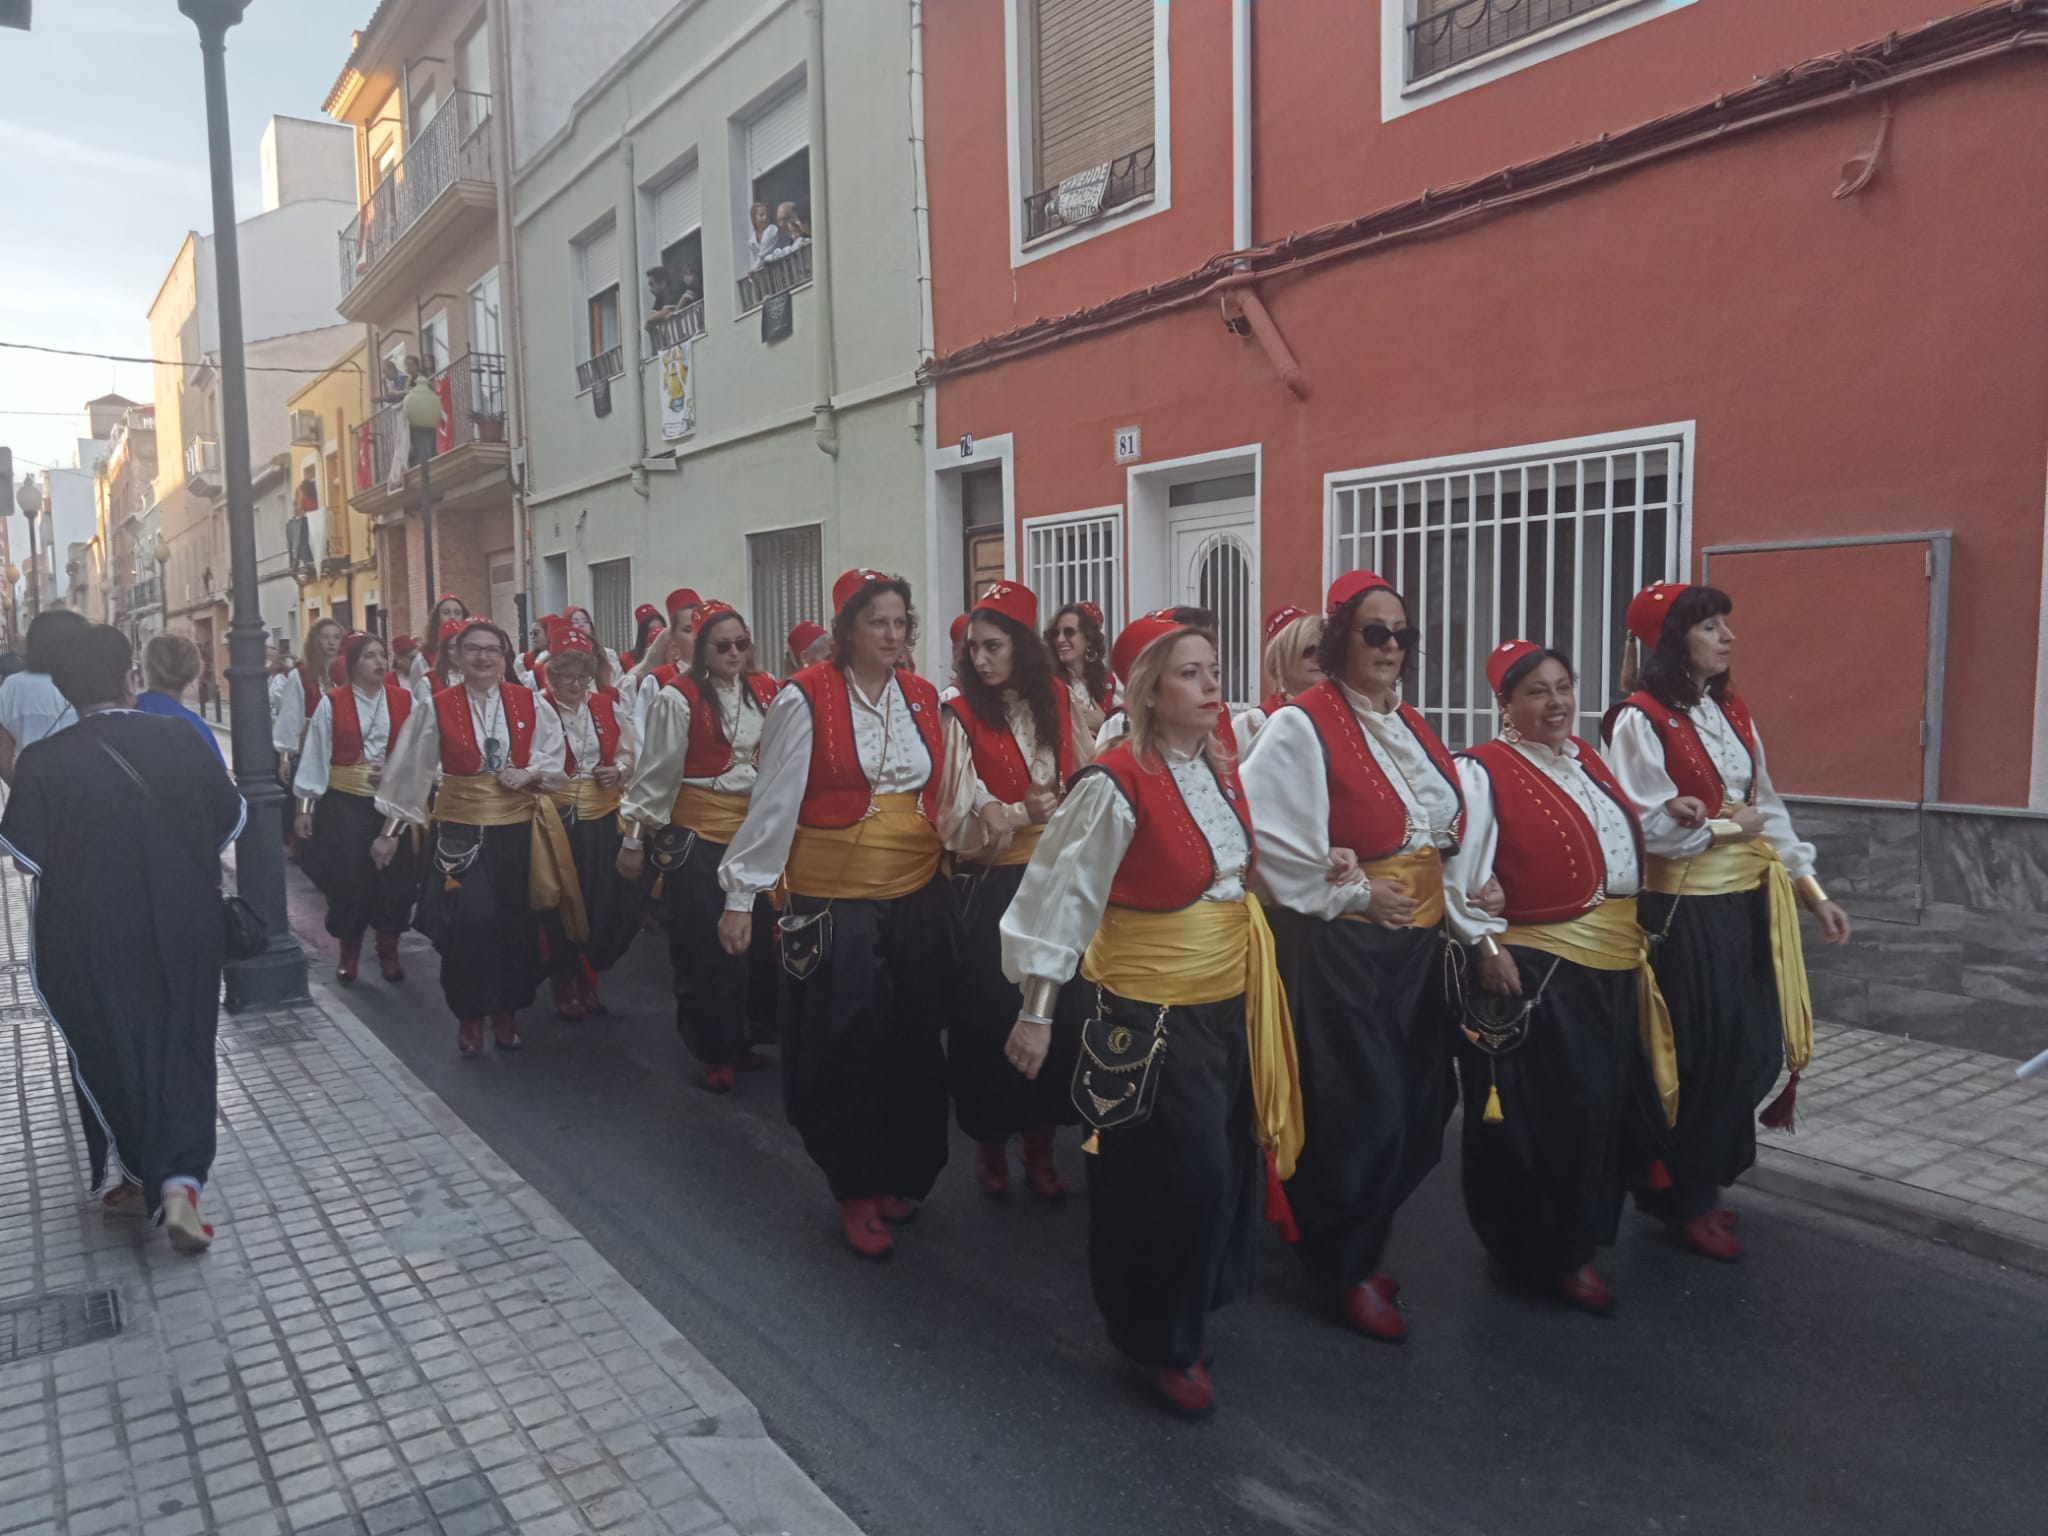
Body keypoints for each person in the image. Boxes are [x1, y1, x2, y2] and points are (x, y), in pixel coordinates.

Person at [999, 612, 1304, 1419]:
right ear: (1147, 692)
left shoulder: (1218, 769)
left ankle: (1191, 1306)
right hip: (1149, 1014)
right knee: (1170, 1178)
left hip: (1228, 999)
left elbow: (1231, 874)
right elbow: (1059, 897)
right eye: (1191, 675)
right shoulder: (1112, 784)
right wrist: (1036, 1008)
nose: (1212, 687)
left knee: (1224, 1168)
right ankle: (1154, 1334)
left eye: (1213, 670)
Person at [1238, 570, 1465, 1342]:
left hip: (1414, 949)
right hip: (1344, 950)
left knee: (1424, 1102)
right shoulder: (1303, 724)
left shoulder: (1408, 723)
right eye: (1375, 632)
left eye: (1401, 634)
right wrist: (1358, 892)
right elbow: (1264, 837)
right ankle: (1343, 1262)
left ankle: (1356, 1237)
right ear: (1341, 640)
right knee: (1361, 1111)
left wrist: (1471, 894)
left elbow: (1435, 829)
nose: (1391, 647)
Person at [1605, 582, 1850, 1259]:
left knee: (1754, 1047)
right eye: (1710, 626)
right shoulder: (1638, 719)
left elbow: (1766, 805)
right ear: (1672, 641)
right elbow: (1644, 824)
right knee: (1703, 1057)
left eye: (1723, 625)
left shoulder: (1732, 710)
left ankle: (1697, 1181)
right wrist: (1720, 829)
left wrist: (1811, 889)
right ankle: (1684, 1196)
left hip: (1746, 905)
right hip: (1685, 912)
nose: (1727, 637)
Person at [716, 569, 951, 1258]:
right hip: (834, 897)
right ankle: (854, 1184)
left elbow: (944, 789)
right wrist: (742, 896)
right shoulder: (805, 697)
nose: (892, 634)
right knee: (847, 1041)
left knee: (913, 1038)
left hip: (916, 891)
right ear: (847, 629)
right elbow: (775, 800)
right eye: (877, 621)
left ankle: (906, 1168)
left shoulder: (924, 696)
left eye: (901, 622)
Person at [1442, 641, 1679, 1312]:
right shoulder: (1482, 771)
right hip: (1541, 969)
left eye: (1564, 686)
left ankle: (1579, 1235)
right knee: (1550, 1118)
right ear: (1507, 706)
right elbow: (1461, 876)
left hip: (1609, 963)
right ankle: (1543, 1251)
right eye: (1538, 692)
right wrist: (1487, 948)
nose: (1557, 702)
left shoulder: (1589, 761)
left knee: (1598, 1110)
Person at [0, 624, 245, 1250]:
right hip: (184, 920)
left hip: (87, 931)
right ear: (129, 675)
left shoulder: (45, 761)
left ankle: (140, 1172)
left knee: (111, 1042)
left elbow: (28, 858)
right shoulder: (178, 738)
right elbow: (228, 819)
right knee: (184, 1040)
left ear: (62, 688)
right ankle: (179, 1182)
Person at [939, 581, 1090, 1199]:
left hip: (1056, 882)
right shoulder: (962, 714)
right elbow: (952, 819)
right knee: (992, 1019)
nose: (981, 658)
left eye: (994, 646)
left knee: (1060, 1014)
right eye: (974, 647)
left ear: (1022, 647)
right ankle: (991, 1145)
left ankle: (1039, 1143)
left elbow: (1086, 783)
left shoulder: (1059, 699)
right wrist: (1021, 813)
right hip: (998, 887)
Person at [371, 617, 572, 1055]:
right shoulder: (437, 705)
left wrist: (530, 771)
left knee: (514, 922)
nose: (483, 657)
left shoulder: (530, 702)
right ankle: (468, 1013)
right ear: (457, 657)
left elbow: (555, 759)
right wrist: (390, 831)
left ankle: (507, 1012)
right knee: (469, 920)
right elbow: (412, 770)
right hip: (458, 837)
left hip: (517, 834)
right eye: (474, 649)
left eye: (493, 650)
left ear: (504, 658)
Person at [620, 601, 782, 1091]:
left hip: (755, 833)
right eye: (723, 645)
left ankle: (748, 1035)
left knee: (759, 943)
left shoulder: (768, 690)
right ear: (702, 650)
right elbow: (656, 775)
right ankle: (714, 1048)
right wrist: (633, 838)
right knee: (706, 945)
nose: (735, 653)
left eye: (741, 644)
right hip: (698, 836)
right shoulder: (678, 697)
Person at [292, 633, 417, 986]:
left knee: (396, 880)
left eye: (383, 655)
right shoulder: (332, 703)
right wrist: (305, 806)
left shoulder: (404, 700)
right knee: (349, 880)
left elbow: (416, 752)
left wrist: (393, 772)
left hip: (389, 802)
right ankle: (349, 951)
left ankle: (388, 948)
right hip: (345, 804)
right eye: (369, 656)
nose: (380, 662)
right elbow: (317, 753)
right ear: (352, 663)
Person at [539, 623, 639, 1019]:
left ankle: (589, 973)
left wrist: (617, 770)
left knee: (604, 903)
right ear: (553, 675)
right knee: (562, 905)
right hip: (556, 822)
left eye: (584, 675)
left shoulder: (606, 706)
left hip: (600, 819)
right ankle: (565, 981)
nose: (577, 684)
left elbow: (633, 753)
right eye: (568, 675)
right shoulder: (538, 708)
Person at [0, 609, 88, 782]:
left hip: (34, 785)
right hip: (85, 786)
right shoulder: (89, 682)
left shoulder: (13, 686)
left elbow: (4, 759)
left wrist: (23, 790)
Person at [272, 617, 345, 786]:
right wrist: (285, 757)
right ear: (315, 640)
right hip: (311, 751)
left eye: (336, 637)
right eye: (325, 637)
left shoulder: (349, 674)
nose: (331, 642)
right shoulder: (301, 675)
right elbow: (290, 717)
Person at [136, 634, 225, 762]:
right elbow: (217, 778)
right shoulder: (194, 727)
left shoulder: (127, 710)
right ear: (194, 672)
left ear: (147, 668)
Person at [631, 588, 702, 736]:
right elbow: (643, 734)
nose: (696, 636)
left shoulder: (722, 676)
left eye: (701, 629)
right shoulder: (658, 680)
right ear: (673, 636)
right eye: (688, 630)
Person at [1046, 602, 1115, 743]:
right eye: (1055, 633)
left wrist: (1103, 724)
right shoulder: (1047, 682)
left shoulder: (1108, 682)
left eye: (1069, 632)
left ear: (1089, 639)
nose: (1060, 639)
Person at [624, 604, 666, 671]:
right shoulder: (626, 660)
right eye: (651, 630)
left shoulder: (672, 656)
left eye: (660, 629)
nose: (657, 634)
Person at [747, 201, 783, 270]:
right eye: (761, 215)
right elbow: (757, 259)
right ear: (754, 219)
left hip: (778, 268)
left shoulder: (772, 230)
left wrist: (753, 270)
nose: (765, 218)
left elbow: (762, 255)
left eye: (767, 215)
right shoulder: (751, 240)